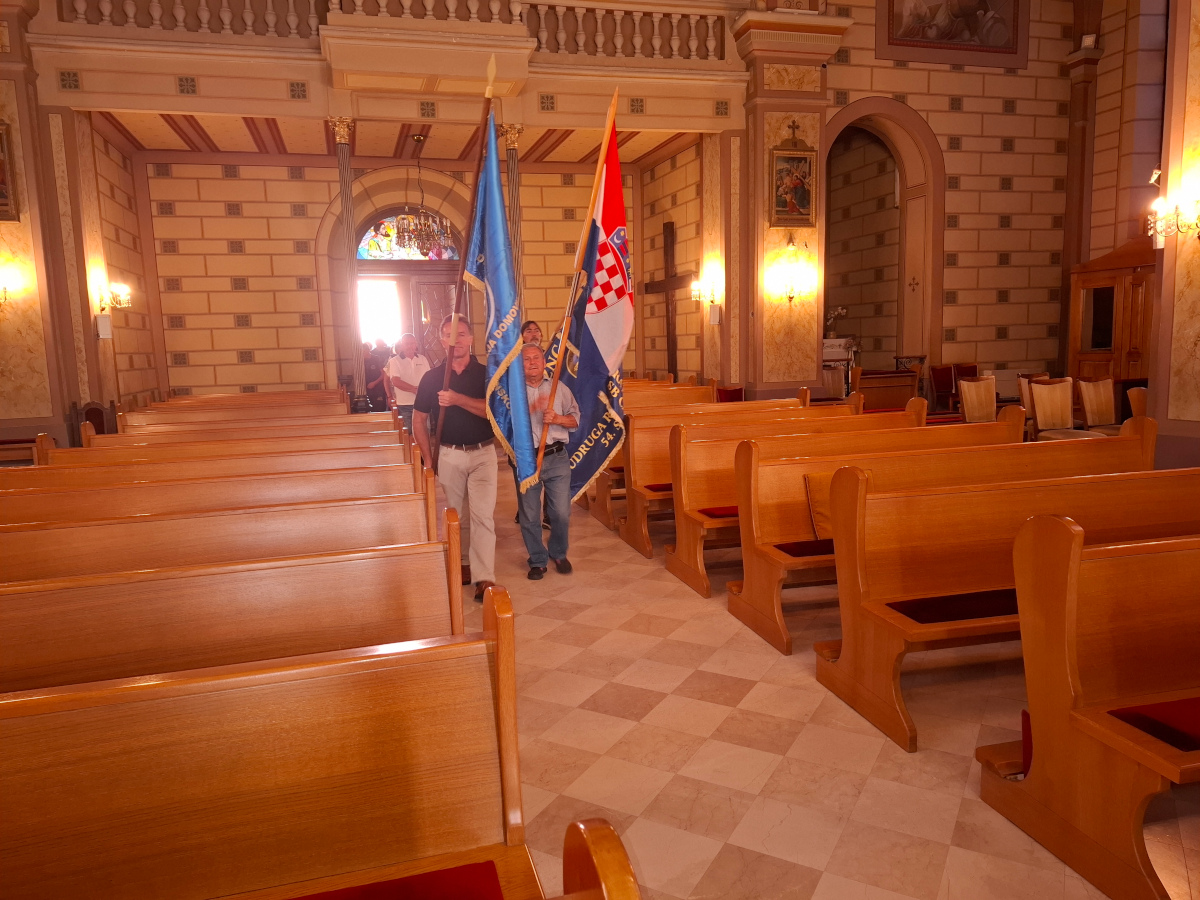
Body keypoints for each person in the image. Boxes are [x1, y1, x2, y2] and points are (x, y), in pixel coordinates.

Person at [412, 316, 497, 602]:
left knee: (483, 516)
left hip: (484, 453)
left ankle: (484, 577)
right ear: (441, 340)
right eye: (448, 335)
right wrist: (428, 459)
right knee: (456, 516)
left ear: (471, 339)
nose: (455, 341)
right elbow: (418, 419)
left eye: (460, 334)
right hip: (449, 455)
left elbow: (493, 412)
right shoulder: (432, 377)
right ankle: (462, 563)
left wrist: (457, 399)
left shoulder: (486, 374)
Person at [518, 343, 579, 580]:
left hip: (556, 458)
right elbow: (504, 426)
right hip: (526, 460)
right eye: (526, 359)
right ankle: (537, 560)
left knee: (561, 512)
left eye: (536, 358)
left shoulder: (559, 388)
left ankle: (558, 552)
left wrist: (558, 418)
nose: (532, 362)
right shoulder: (514, 392)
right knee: (530, 515)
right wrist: (529, 410)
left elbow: (575, 420)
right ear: (520, 365)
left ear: (544, 362)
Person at [384, 333, 430, 434]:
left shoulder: (422, 359)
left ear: (416, 344)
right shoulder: (394, 361)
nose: (410, 346)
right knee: (408, 434)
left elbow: (429, 379)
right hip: (405, 404)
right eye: (406, 344)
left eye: (412, 343)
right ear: (402, 345)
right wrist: (414, 389)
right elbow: (395, 381)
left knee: (425, 432)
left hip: (422, 402)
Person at [363, 342, 388, 411]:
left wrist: (374, 383)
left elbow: (383, 374)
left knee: (379, 408)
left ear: (368, 350)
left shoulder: (376, 359)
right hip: (367, 389)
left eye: (363, 351)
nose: (362, 353)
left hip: (378, 389)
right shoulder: (360, 361)